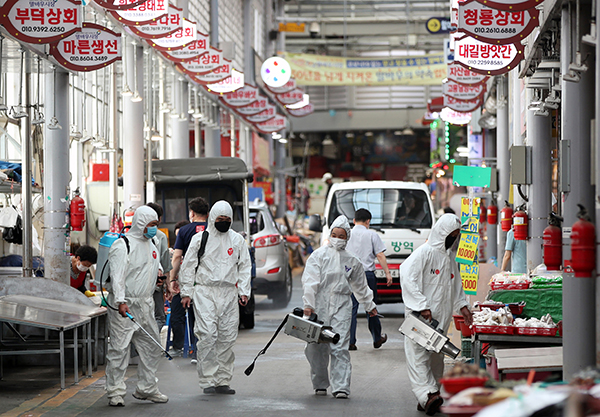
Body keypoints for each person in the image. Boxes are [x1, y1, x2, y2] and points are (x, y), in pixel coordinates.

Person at [400, 213, 473, 415]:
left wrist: (463, 306)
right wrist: (421, 305)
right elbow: (406, 275)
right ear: (443, 232)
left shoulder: (450, 258)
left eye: (457, 235)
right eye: (452, 234)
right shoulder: (424, 253)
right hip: (420, 319)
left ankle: (428, 396)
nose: (454, 238)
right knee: (418, 358)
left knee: (435, 358)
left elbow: (456, 286)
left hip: (440, 321)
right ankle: (427, 394)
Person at [302, 215, 378, 399]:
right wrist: (308, 305)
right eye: (334, 234)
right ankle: (320, 383)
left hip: (342, 305)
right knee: (316, 347)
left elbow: (360, 286)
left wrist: (370, 305)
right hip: (319, 305)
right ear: (330, 234)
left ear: (347, 237)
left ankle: (341, 387)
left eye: (341, 235)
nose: (337, 238)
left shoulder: (352, 260)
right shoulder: (318, 256)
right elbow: (310, 281)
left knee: (340, 346)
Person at [179, 201, 251, 395]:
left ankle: (223, 380)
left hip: (228, 293)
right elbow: (188, 267)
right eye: (220, 219)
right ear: (213, 218)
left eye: (227, 219)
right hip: (205, 292)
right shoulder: (200, 239)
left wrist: (244, 291)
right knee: (208, 335)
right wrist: (186, 292)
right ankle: (207, 380)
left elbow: (244, 266)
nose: (224, 223)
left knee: (227, 338)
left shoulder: (236, 240)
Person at [105, 206, 168, 407]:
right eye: (151, 225)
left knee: (152, 346)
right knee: (119, 348)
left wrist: (158, 278)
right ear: (140, 223)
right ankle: (115, 392)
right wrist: (121, 301)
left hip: (145, 303)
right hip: (126, 305)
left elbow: (154, 267)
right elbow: (118, 276)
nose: (153, 229)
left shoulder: (152, 244)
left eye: (155, 225)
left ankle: (147, 388)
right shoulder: (122, 245)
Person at [168, 197, 209, 358]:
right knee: (207, 317)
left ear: (191, 213)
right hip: (210, 281)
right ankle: (205, 352)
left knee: (190, 316)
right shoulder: (214, 230)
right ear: (208, 213)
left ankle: (194, 351)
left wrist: (172, 279)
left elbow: (177, 257)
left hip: (190, 280)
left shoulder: (184, 231)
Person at [346, 209, 391, 350]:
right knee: (370, 307)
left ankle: (350, 341)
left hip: (350, 275)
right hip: (367, 275)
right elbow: (380, 256)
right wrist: (387, 273)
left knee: (351, 308)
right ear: (368, 221)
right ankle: (377, 338)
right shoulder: (372, 234)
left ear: (354, 221)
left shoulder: (347, 235)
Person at [146, 203, 173, 330]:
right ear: (159, 219)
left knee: (142, 319)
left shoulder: (131, 235)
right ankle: (151, 345)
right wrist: (168, 285)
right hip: (156, 285)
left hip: (138, 286)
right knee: (159, 317)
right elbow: (165, 264)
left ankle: (142, 346)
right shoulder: (160, 236)